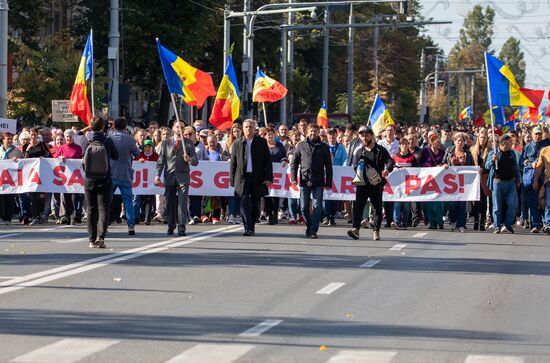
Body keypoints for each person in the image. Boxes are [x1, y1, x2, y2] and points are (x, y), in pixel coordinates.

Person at [347, 126, 394, 241]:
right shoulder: (359, 151)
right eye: (362, 135)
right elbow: (354, 166)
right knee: (358, 207)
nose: (364, 137)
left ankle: (376, 231)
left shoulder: (380, 150)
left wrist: (387, 169)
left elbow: (390, 161)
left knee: (377, 208)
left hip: (376, 184)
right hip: (362, 184)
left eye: (366, 135)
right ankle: (356, 229)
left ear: (371, 136)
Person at [230, 119, 273, 236]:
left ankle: (252, 225)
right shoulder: (237, 143)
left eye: (250, 127)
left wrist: (269, 177)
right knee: (243, 203)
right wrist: (232, 179)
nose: (248, 129)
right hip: (242, 178)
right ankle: (247, 226)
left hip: (257, 177)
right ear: (242, 129)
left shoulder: (261, 142)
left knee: (255, 203)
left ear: (255, 129)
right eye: (246, 127)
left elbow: (267, 161)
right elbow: (233, 163)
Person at [155, 121, 199, 236]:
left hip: (183, 177)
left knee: (182, 203)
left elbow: (195, 161)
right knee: (169, 203)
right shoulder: (166, 143)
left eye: (182, 127)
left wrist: (189, 159)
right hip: (169, 176)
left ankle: (181, 227)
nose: (180, 129)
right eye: (177, 127)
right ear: (173, 128)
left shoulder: (189, 143)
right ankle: (171, 224)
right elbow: (161, 161)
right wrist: (157, 175)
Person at [291, 124, 333, 239]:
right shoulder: (301, 145)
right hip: (304, 180)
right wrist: (293, 178)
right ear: (307, 132)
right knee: (303, 207)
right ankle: (309, 226)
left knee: (317, 206)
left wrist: (328, 182)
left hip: (318, 181)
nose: (312, 133)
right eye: (311, 131)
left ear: (318, 133)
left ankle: (313, 230)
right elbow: (294, 163)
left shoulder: (324, 147)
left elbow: (328, 166)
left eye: (315, 131)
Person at [83, 116, 119, 248]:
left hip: (89, 178)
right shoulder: (107, 140)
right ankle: (101, 237)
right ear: (103, 126)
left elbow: (77, 137)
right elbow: (116, 156)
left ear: (90, 126)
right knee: (103, 208)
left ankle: (91, 240)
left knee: (91, 209)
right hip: (105, 177)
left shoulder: (86, 139)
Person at [109, 117, 141, 235]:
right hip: (125, 174)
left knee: (107, 200)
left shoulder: (110, 137)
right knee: (128, 201)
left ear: (114, 126)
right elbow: (137, 154)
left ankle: (105, 222)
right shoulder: (130, 139)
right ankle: (131, 225)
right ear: (125, 126)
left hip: (111, 173)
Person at [486, 134, 521, 234]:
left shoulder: (512, 153)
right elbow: (487, 166)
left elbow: (516, 168)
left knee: (513, 204)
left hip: (510, 182)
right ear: (504, 143)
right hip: (498, 182)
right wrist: (493, 160)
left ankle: (508, 224)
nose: (512, 144)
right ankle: (497, 226)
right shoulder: (494, 152)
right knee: (497, 206)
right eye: (510, 142)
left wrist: (518, 180)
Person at [443, 132, 475, 232]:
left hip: (463, 182)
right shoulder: (449, 151)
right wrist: (445, 165)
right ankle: (453, 221)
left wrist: (465, 163)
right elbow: (444, 162)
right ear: (454, 141)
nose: (459, 142)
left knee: (462, 204)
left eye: (461, 141)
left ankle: (461, 224)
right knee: (452, 204)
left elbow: (472, 165)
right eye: (458, 140)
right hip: (451, 182)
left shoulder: (468, 153)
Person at [520, 126, 550, 232]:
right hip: (533, 177)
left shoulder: (546, 144)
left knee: (545, 202)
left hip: (546, 178)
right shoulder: (528, 147)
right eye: (536, 134)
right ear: (532, 135)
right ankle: (535, 225)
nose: (538, 136)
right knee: (533, 202)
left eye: (539, 134)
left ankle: (545, 223)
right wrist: (529, 164)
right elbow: (521, 162)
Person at [54, 129, 84, 225]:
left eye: (70, 136)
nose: (68, 138)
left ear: (73, 137)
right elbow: (54, 158)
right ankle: (65, 216)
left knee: (74, 197)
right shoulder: (62, 147)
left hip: (75, 177)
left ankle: (73, 217)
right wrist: (60, 157)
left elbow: (82, 158)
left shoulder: (78, 148)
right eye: (67, 136)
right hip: (65, 176)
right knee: (65, 196)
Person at [419, 131, 446, 229]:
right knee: (429, 202)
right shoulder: (425, 151)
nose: (437, 142)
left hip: (439, 179)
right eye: (434, 140)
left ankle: (440, 221)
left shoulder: (442, 152)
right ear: (431, 142)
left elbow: (445, 162)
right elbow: (421, 163)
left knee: (438, 202)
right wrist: (430, 168)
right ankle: (432, 222)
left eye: (438, 140)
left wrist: (442, 166)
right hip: (428, 179)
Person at [391, 137, 417, 230]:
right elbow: (390, 167)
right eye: (402, 144)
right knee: (397, 203)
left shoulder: (412, 157)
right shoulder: (394, 157)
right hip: (397, 185)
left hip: (408, 185)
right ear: (399, 145)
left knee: (406, 205)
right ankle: (396, 221)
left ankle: (405, 222)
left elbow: (416, 170)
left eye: (406, 144)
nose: (404, 146)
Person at [323, 128, 347, 226]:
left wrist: (343, 168)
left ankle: (332, 216)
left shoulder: (341, 147)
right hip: (326, 174)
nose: (331, 137)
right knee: (326, 196)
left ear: (336, 136)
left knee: (335, 197)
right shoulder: (324, 147)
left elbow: (345, 159)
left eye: (333, 135)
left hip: (337, 175)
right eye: (330, 135)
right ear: (327, 136)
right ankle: (326, 216)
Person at [265, 127, 287, 225]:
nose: (270, 136)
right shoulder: (262, 145)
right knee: (267, 196)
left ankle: (275, 215)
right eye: (268, 134)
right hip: (266, 173)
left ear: (275, 135)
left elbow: (284, 155)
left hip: (278, 174)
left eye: (271, 134)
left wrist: (284, 160)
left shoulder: (280, 145)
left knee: (276, 196)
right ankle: (269, 215)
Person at [0, 132, 23, 224]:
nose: (9, 141)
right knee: (1, 198)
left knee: (9, 198)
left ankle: (8, 218)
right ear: (3, 139)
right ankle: (1, 217)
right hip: (1, 177)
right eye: (7, 139)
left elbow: (23, 162)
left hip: (11, 178)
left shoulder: (16, 151)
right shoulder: (0, 150)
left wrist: (16, 160)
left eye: (11, 139)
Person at [137, 139, 159, 225]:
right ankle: (141, 215)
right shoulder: (140, 155)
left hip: (151, 180)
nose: (147, 148)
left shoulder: (156, 155)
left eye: (149, 146)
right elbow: (135, 162)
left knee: (149, 198)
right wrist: (139, 161)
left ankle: (147, 218)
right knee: (140, 198)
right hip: (141, 180)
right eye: (145, 146)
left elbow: (159, 164)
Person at [534, 144, 550, 234]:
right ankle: (548, 224)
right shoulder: (545, 150)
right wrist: (535, 180)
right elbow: (539, 166)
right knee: (548, 204)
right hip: (549, 181)